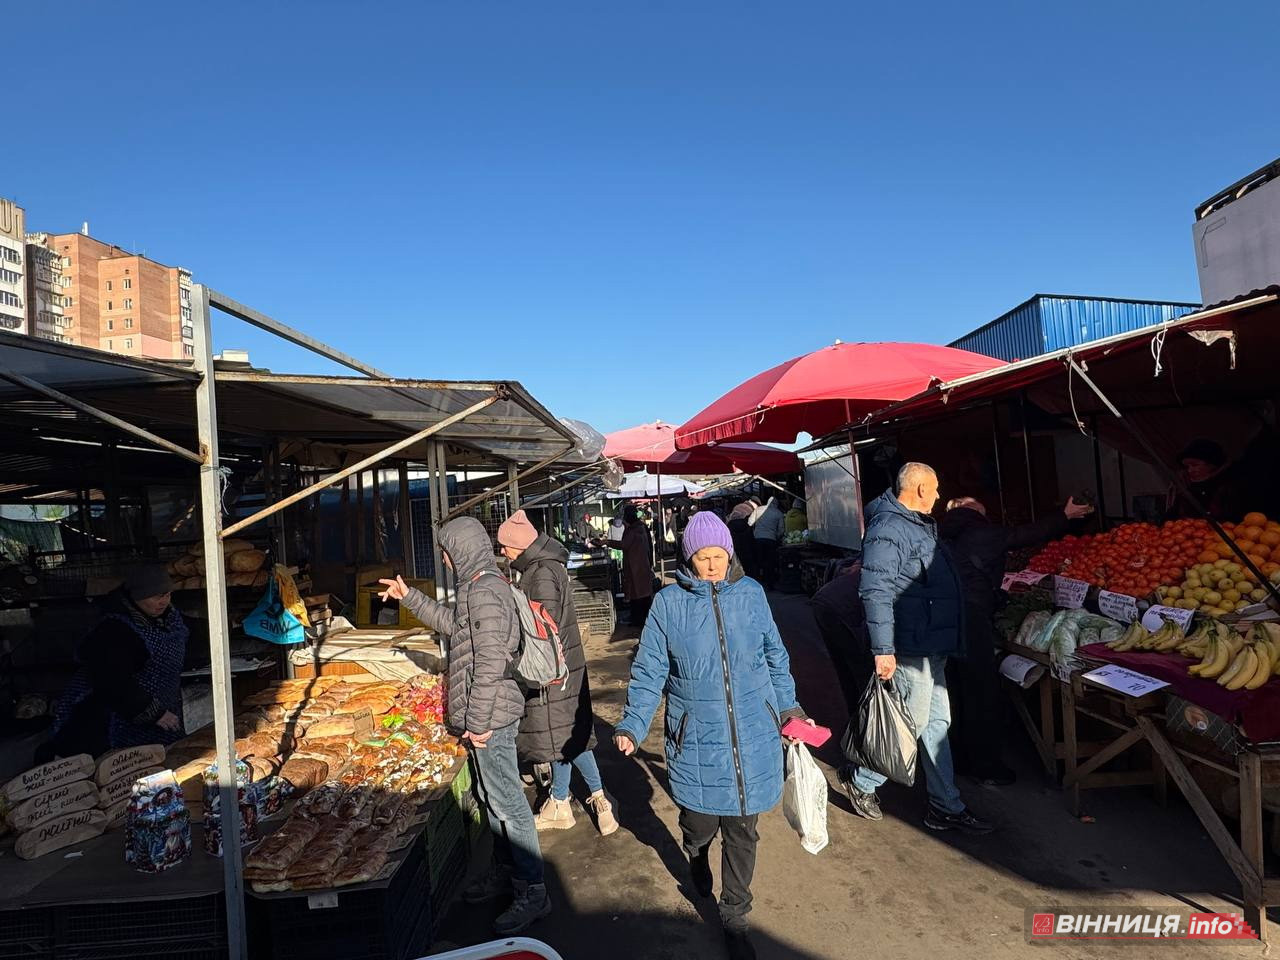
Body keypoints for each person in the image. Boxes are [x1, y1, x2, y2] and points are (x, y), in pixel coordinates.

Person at [613, 512, 808, 960]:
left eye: (719, 555)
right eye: (704, 557)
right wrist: (633, 724)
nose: (713, 565)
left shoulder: (752, 594)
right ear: (689, 559)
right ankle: (696, 851)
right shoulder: (668, 604)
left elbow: (775, 657)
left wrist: (789, 709)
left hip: (752, 736)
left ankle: (735, 918)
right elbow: (649, 670)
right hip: (697, 738)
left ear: (730, 554)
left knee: (743, 832)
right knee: (699, 822)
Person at [379, 517, 550, 935]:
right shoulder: (477, 586)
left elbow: (490, 661)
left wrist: (477, 722)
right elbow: (456, 628)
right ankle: (508, 872)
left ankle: (533, 889)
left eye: (445, 551)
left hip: (491, 717)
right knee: (492, 798)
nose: (443, 558)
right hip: (486, 714)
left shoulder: (486, 590)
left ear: (459, 550)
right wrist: (409, 597)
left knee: (508, 803)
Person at [844, 463, 993, 834]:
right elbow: (875, 590)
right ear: (921, 489)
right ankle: (863, 780)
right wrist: (883, 649)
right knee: (914, 721)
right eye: (936, 488)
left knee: (938, 724)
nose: (940, 496)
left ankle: (945, 805)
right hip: (910, 644)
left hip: (930, 643)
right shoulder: (890, 527)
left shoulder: (915, 524)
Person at [939, 495, 1093, 785]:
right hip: (971, 618)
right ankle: (986, 766)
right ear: (977, 513)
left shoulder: (944, 535)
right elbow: (1023, 535)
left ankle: (959, 758)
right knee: (982, 692)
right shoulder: (980, 532)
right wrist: (1064, 515)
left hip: (945, 617)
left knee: (956, 688)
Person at [496, 510, 617, 836]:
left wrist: (523, 664)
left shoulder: (540, 575)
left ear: (519, 545)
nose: (503, 552)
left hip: (553, 670)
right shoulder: (545, 567)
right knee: (564, 738)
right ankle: (572, 801)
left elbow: (542, 631)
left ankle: (583, 801)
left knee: (564, 739)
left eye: (505, 545)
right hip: (562, 667)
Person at [47, 563, 189, 759]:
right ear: (137, 595)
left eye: (167, 595)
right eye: (156, 596)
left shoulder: (168, 618)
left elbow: (189, 634)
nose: (164, 601)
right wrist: (153, 712)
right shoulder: (114, 629)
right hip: (110, 720)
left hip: (158, 711)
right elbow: (112, 680)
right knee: (118, 765)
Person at [810, 560, 870, 783]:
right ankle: (859, 754)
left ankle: (854, 747)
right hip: (840, 610)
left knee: (854, 682)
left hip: (831, 603)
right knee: (864, 685)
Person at [1165, 439, 1248, 521]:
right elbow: (1171, 517)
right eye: (1187, 467)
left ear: (1212, 465)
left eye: (1195, 465)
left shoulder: (1230, 486)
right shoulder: (1187, 487)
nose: (1190, 470)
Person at [608, 505, 655, 625]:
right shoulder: (642, 527)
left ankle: (637, 619)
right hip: (644, 564)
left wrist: (607, 542)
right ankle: (646, 617)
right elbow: (650, 545)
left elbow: (624, 545)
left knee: (636, 594)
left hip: (634, 567)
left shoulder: (632, 530)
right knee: (644, 594)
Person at [750, 496, 786, 589]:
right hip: (771, 540)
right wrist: (777, 537)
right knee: (770, 562)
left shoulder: (758, 510)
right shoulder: (778, 513)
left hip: (758, 538)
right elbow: (781, 530)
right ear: (776, 504)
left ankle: (758, 582)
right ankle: (770, 583)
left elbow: (750, 523)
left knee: (759, 561)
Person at [727, 499, 760, 579]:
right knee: (749, 567)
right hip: (747, 548)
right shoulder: (747, 525)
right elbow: (751, 538)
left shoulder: (729, 525)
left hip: (735, 550)